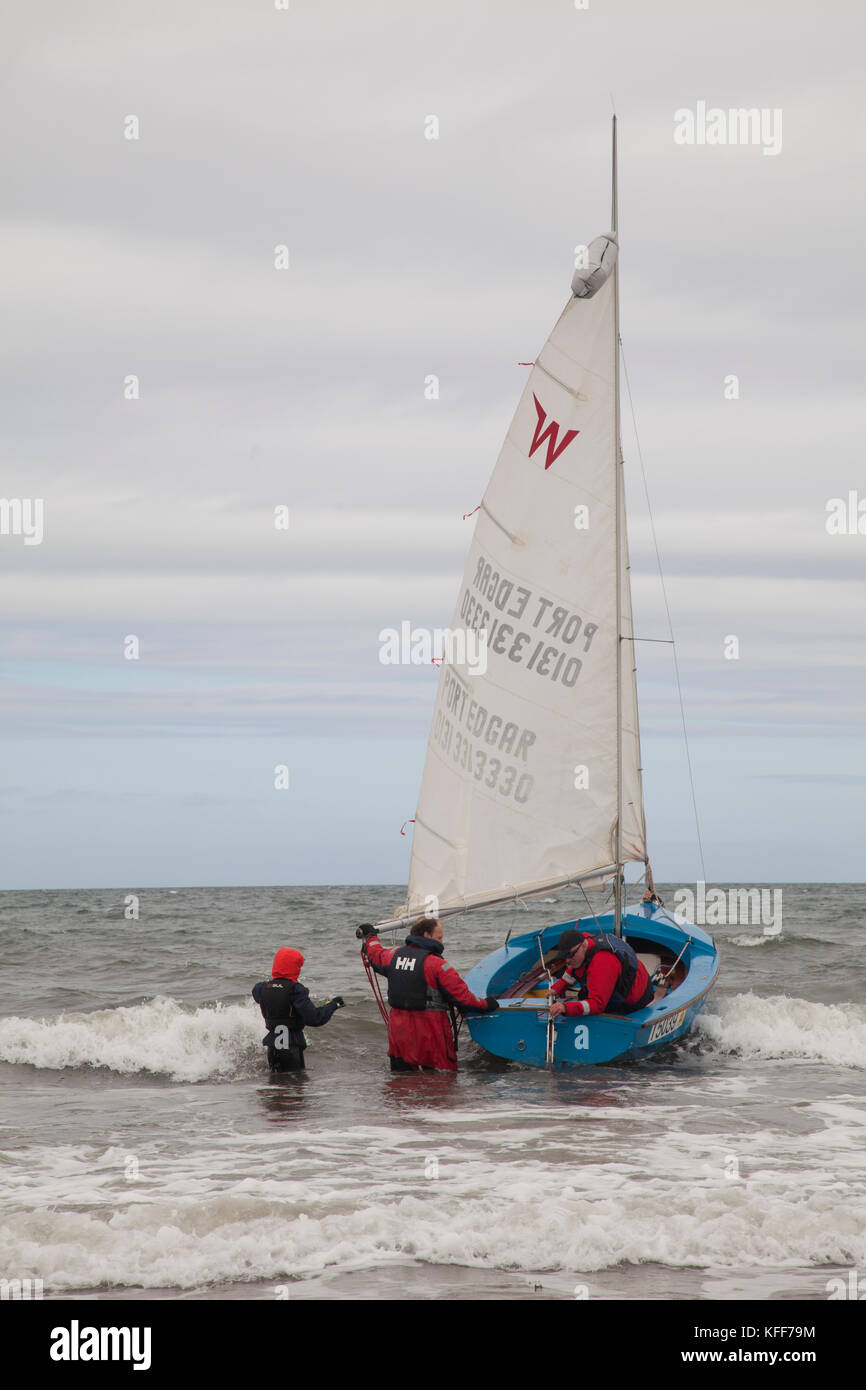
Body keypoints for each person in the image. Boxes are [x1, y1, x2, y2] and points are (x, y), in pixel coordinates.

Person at [358, 918, 498, 1072]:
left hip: (400, 1032)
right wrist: (488, 1004)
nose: (442, 942)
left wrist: (370, 935)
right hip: (431, 1031)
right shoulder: (437, 965)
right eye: (439, 938)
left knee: (401, 1084)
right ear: (426, 935)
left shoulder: (392, 956)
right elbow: (463, 998)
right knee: (441, 1082)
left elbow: (374, 952)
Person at [252, 947, 344, 1072]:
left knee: (276, 1086)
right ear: (294, 967)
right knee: (295, 1088)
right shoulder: (296, 990)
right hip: (291, 1050)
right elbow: (315, 1018)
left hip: (272, 1049)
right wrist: (334, 1004)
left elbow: (265, 996)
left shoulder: (261, 988)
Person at [547, 928, 654, 1020]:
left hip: (635, 998)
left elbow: (597, 1004)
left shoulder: (602, 962)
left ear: (584, 945)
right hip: (619, 978)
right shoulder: (583, 944)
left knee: (592, 1002)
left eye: (571, 955)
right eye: (565, 956)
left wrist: (565, 1008)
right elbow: (574, 970)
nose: (567, 960)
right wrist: (557, 988)